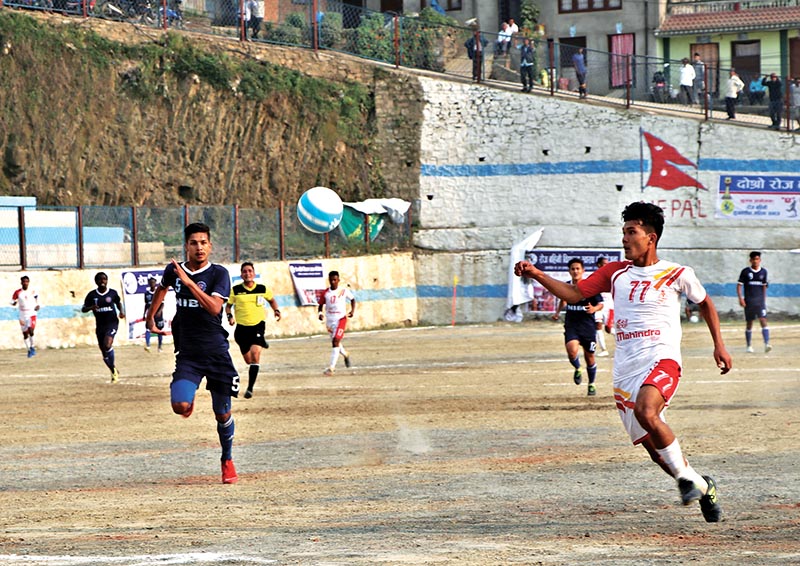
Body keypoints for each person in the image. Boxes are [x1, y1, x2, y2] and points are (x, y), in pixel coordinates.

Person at [514, 201, 731, 522]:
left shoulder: (678, 273)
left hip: (662, 358)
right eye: (624, 232)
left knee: (647, 411)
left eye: (631, 232)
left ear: (651, 238)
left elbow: (705, 303)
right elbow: (574, 295)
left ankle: (686, 479)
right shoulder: (615, 273)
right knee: (655, 452)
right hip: (626, 369)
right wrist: (536, 273)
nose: (624, 239)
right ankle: (700, 483)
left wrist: (719, 345)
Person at [146, 222, 240, 484]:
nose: (199, 247)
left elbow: (214, 308)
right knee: (180, 406)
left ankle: (227, 459)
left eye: (203, 243)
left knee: (222, 413)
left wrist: (189, 283)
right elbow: (162, 288)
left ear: (210, 246)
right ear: (186, 246)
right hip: (189, 353)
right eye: (194, 243)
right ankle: (189, 397)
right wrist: (151, 316)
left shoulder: (219, 274)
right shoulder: (173, 271)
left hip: (216, 353)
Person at [225, 261, 281, 399]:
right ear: (241, 275)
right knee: (249, 361)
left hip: (257, 326)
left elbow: (272, 300)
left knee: (255, 355)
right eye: (245, 271)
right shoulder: (236, 290)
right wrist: (230, 317)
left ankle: (250, 388)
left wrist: (276, 310)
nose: (247, 273)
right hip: (241, 329)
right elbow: (228, 306)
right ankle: (262, 342)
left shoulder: (262, 288)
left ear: (254, 274)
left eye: (250, 271)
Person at [551, 258, 603, 396]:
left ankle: (591, 384)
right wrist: (557, 313)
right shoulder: (566, 286)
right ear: (569, 271)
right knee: (572, 351)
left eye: (578, 268)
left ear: (583, 270)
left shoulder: (590, 286)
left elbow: (600, 303)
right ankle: (578, 368)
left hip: (588, 327)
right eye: (573, 269)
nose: (575, 271)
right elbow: (563, 300)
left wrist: (594, 308)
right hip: (572, 325)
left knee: (589, 357)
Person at [81, 272, 125, 383]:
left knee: (107, 344)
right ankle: (113, 370)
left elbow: (118, 303)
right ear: (96, 281)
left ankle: (113, 371)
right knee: (104, 352)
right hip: (100, 326)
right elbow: (83, 309)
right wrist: (91, 307)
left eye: (104, 279)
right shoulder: (92, 295)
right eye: (100, 279)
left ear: (107, 280)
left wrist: (121, 311)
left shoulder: (112, 293)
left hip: (112, 323)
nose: (102, 281)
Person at [318, 270, 356, 376]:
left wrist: (352, 311)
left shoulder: (343, 291)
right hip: (330, 321)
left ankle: (331, 368)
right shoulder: (326, 293)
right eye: (331, 280)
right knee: (336, 343)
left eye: (335, 280)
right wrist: (320, 313)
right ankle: (345, 354)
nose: (333, 282)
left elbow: (353, 299)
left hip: (341, 320)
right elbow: (320, 305)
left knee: (335, 341)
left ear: (338, 280)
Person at [736, 251, 770, 353]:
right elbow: (739, 285)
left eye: (757, 259)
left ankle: (767, 344)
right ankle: (749, 345)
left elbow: (764, 286)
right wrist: (741, 298)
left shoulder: (763, 272)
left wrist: (763, 300)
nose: (755, 261)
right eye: (754, 259)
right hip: (749, 302)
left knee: (763, 320)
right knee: (749, 323)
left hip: (760, 302)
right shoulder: (746, 272)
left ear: (760, 260)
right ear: (750, 260)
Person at [11, 275, 40, 358]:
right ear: (21, 283)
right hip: (22, 315)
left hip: (31, 313)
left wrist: (38, 305)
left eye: (27, 281)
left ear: (28, 282)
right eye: (24, 282)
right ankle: (29, 350)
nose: (25, 283)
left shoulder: (33, 291)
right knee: (25, 334)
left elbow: (37, 299)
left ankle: (32, 347)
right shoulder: (17, 292)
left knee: (31, 330)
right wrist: (13, 303)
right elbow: (12, 301)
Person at [594, 256, 612, 356]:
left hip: (610, 306)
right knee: (598, 326)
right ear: (599, 265)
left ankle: (627, 343)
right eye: (604, 264)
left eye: (607, 264)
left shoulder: (611, 277)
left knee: (609, 329)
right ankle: (604, 349)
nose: (606, 266)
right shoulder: (595, 276)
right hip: (599, 304)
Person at [143, 276, 164, 353]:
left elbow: (162, 303)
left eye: (153, 282)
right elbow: (146, 304)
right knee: (148, 329)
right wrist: (144, 314)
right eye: (150, 283)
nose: (152, 284)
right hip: (150, 315)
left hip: (158, 314)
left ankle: (160, 346)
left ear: (155, 283)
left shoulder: (158, 292)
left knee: (159, 330)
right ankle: (148, 345)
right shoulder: (147, 293)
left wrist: (159, 312)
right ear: (149, 283)